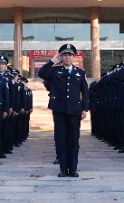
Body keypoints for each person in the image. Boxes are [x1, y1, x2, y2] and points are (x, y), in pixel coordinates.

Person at [38, 44, 89, 177]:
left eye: (69, 55)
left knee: (74, 140)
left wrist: (84, 108)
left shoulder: (80, 72)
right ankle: (62, 168)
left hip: (74, 110)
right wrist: (51, 61)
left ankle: (73, 169)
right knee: (61, 139)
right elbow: (41, 73)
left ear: (73, 57)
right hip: (59, 109)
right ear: (61, 57)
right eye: (64, 55)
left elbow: (85, 92)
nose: (67, 58)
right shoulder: (55, 71)